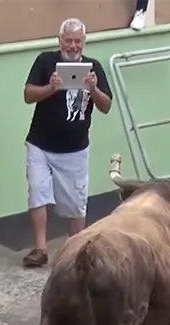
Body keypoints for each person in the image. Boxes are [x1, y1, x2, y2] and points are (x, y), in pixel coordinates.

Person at [21, 18, 113, 268]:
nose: (73, 46)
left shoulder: (93, 67)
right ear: (60, 40)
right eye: (68, 40)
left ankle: (76, 249)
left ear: (84, 42)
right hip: (40, 143)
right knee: (38, 191)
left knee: (74, 203)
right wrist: (51, 87)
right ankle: (40, 249)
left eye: (77, 41)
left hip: (75, 149)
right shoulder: (45, 61)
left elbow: (106, 106)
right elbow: (28, 95)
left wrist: (93, 89)